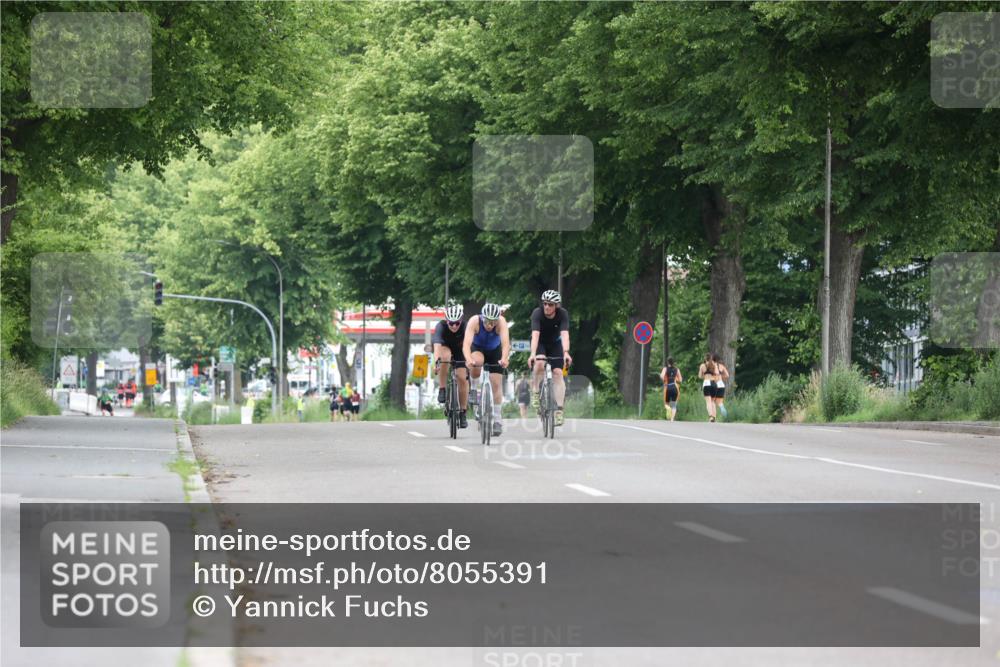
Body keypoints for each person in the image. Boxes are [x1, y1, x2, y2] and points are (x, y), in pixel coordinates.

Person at [462, 303, 511, 437]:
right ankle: (473, 389)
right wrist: (468, 359)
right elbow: (466, 344)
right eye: (487, 321)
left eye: (493, 322)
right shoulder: (474, 321)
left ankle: (497, 419)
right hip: (477, 348)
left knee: (496, 382)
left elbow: (506, 344)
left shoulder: (501, 322)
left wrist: (504, 358)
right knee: (477, 362)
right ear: (482, 318)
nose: (490, 325)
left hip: (494, 350)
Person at [529, 290, 572, 427]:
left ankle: (559, 411)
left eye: (550, 304)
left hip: (555, 344)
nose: (547, 307)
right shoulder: (537, 313)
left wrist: (566, 352)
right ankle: (536, 391)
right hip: (540, 342)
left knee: (558, 373)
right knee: (540, 363)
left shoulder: (562, 314)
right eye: (545, 304)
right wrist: (532, 354)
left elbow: (565, 334)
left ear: (556, 306)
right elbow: (535, 335)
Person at [432, 303, 469, 429]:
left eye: (457, 323)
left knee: (462, 378)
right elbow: (437, 346)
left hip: (460, 350)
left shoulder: (466, 327)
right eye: (451, 323)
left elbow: (470, 345)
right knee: (445, 357)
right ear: (446, 321)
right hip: (445, 348)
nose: (454, 326)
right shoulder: (440, 327)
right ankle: (442, 388)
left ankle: (463, 412)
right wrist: (436, 361)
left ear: (461, 321)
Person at [698, 354, 718, 422]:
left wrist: (705, 376)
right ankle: (714, 416)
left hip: (707, 383)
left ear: (705, 358)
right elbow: (717, 373)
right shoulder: (714, 365)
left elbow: (700, 376)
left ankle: (711, 417)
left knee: (708, 402)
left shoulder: (702, 365)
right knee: (713, 401)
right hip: (713, 383)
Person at [711, 353, 730, 421]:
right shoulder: (721, 366)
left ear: (712, 359)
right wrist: (721, 377)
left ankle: (713, 417)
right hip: (721, 384)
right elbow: (727, 375)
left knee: (712, 401)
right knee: (720, 402)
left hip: (715, 385)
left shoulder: (712, 366)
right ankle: (723, 410)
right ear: (718, 359)